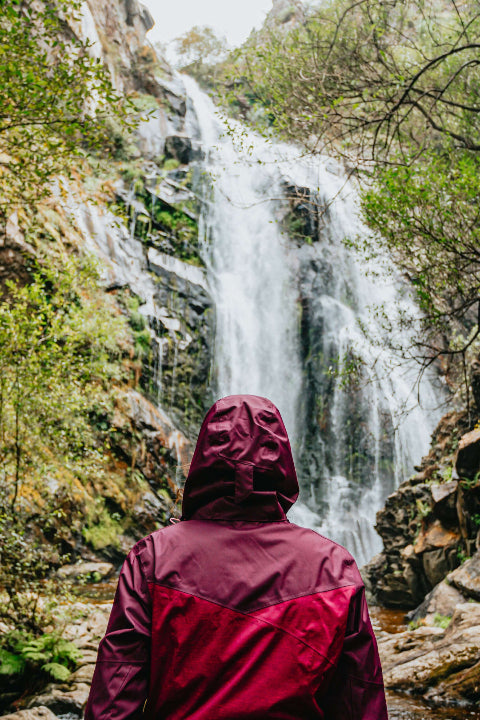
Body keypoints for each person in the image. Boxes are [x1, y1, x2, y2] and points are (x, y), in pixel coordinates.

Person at [85, 394, 388, 719]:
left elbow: (113, 703)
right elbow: (362, 704)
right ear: (283, 464)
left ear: (202, 459)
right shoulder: (334, 567)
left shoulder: (152, 559)